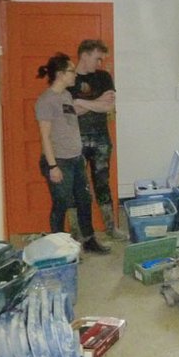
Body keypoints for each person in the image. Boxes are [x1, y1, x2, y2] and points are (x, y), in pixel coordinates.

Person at [35, 52, 110, 254]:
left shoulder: (66, 95)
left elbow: (71, 117)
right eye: (71, 71)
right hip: (59, 162)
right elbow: (45, 137)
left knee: (84, 201)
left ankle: (89, 241)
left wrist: (99, 103)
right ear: (60, 74)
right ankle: (58, 249)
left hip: (76, 159)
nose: (74, 75)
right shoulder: (46, 101)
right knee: (61, 204)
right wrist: (53, 167)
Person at [69, 39, 125, 240]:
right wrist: (96, 102)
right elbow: (71, 110)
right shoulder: (69, 79)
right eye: (97, 58)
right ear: (84, 55)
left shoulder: (103, 77)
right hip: (75, 140)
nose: (100, 63)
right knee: (77, 186)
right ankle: (77, 233)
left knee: (102, 182)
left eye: (102, 59)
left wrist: (82, 102)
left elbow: (108, 106)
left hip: (101, 138)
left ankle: (111, 228)